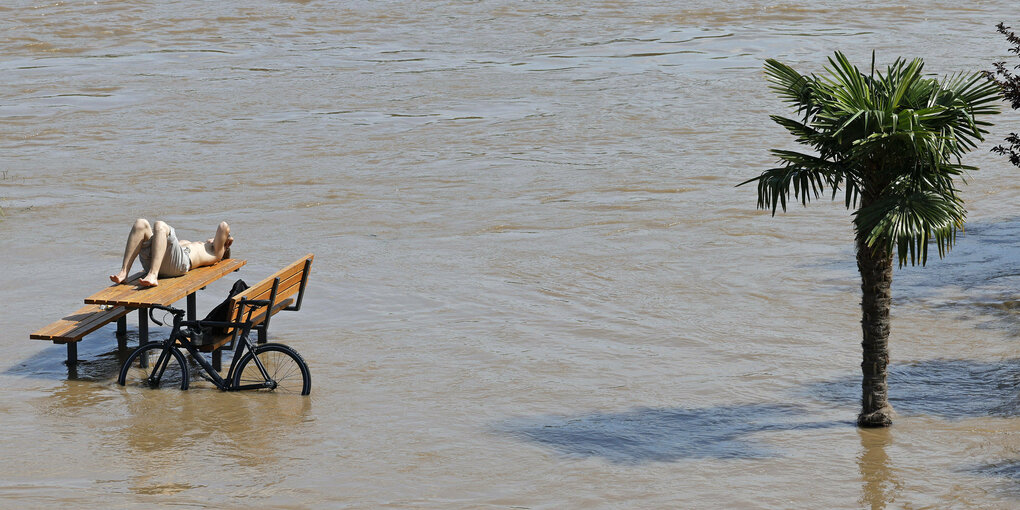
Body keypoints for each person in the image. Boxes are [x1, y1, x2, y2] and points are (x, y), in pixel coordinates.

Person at [110, 219, 233, 287]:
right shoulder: (194, 244)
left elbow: (223, 226)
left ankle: (153, 275)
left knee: (160, 225)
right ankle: (124, 273)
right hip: (159, 262)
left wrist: (227, 241)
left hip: (178, 266)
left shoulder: (215, 253)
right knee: (140, 224)